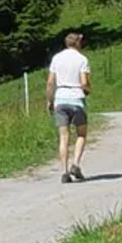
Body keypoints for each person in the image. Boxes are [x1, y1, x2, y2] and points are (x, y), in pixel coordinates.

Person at [46, 32, 91, 183]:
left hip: (61, 97)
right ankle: (76, 164)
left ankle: (64, 171)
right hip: (77, 98)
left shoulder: (57, 58)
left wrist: (50, 100)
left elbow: (51, 82)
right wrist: (87, 90)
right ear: (77, 43)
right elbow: (84, 82)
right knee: (81, 134)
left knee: (64, 137)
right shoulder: (82, 59)